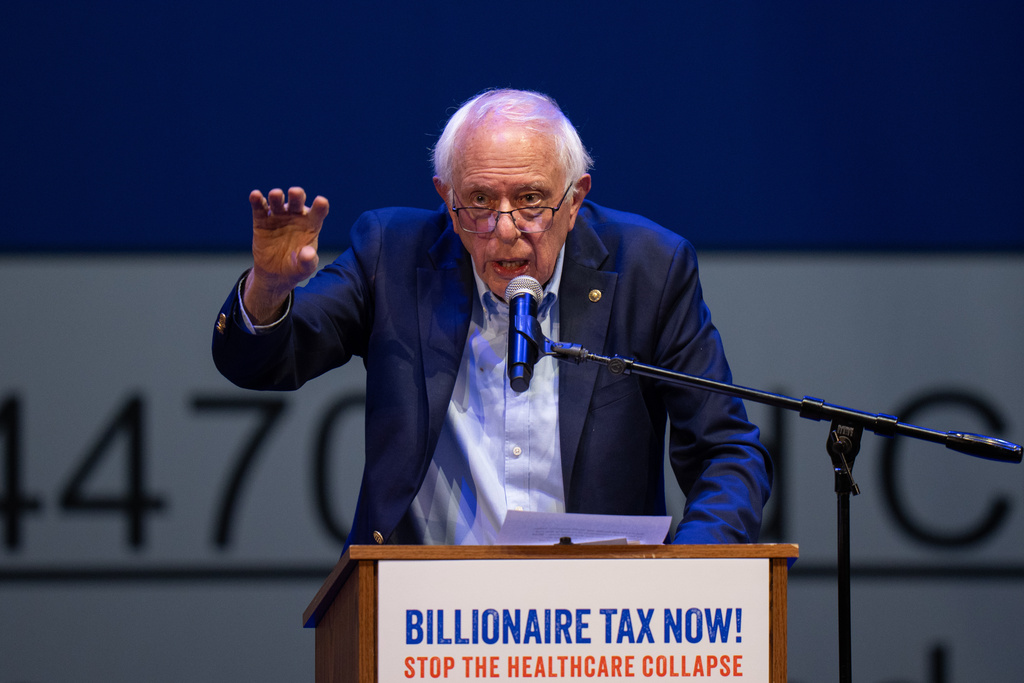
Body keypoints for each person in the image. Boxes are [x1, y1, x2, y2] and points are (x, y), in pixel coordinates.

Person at [212, 88, 772, 548]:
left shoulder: (649, 267)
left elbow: (727, 452)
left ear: (575, 199)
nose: (505, 228)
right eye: (479, 201)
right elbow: (264, 359)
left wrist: (692, 570)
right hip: (427, 623)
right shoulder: (393, 254)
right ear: (447, 198)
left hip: (600, 619)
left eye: (532, 199)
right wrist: (269, 288)